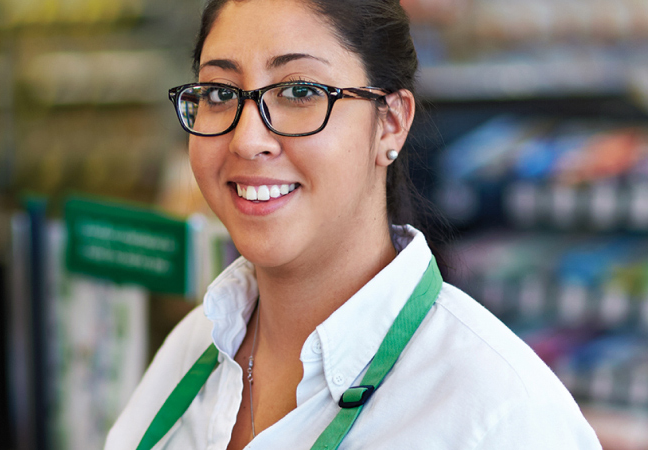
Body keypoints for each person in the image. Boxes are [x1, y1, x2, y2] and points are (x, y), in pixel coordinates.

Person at [105, 1, 600, 449]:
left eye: (300, 91)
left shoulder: (499, 416)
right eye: (218, 92)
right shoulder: (196, 346)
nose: (246, 139)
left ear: (391, 122)